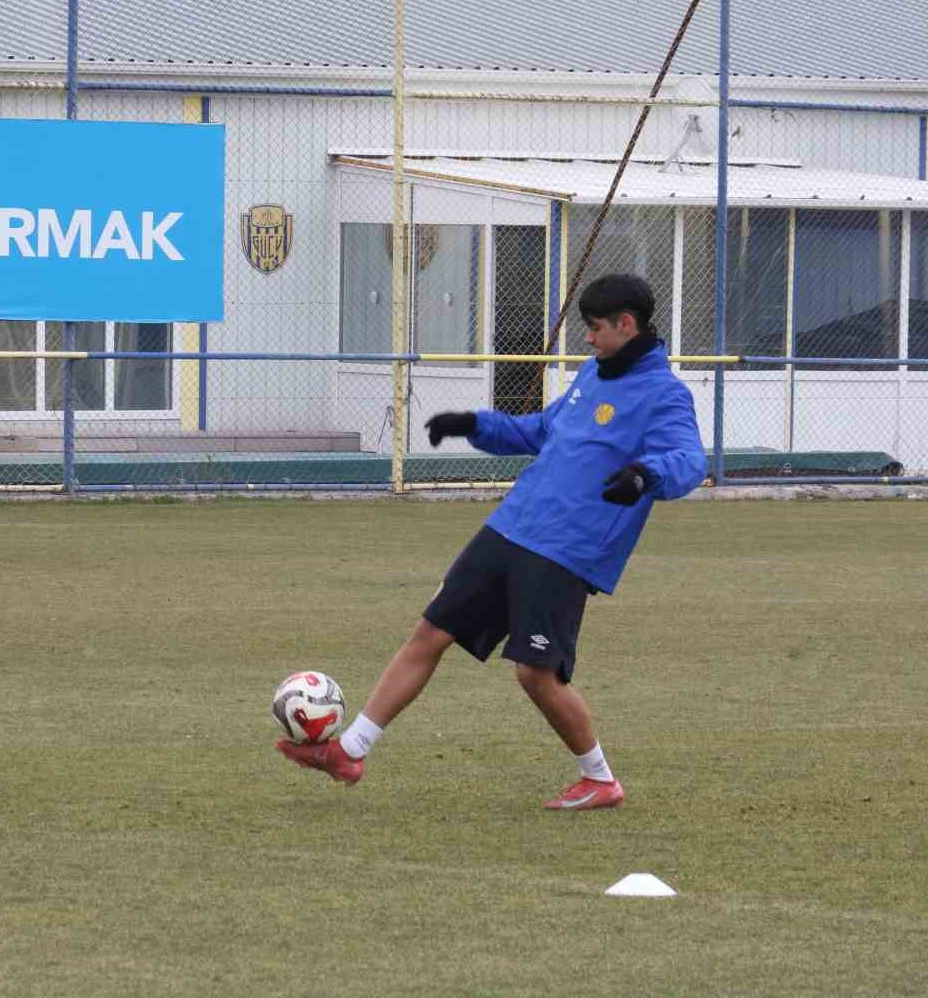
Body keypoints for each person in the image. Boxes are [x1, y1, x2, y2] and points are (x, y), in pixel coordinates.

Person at [277, 273, 707, 810]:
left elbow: (690, 461)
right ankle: (350, 751)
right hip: (512, 525)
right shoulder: (593, 374)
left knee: (536, 674)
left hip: (566, 549)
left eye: (596, 328)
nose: (588, 339)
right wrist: (473, 424)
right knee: (430, 632)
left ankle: (600, 780)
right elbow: (540, 432)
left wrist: (645, 475)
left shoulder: (665, 395)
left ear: (626, 324)